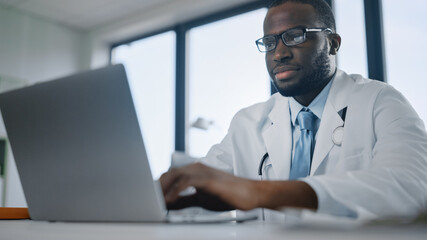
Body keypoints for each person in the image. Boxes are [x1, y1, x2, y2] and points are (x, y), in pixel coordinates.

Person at [160, 0, 427, 222]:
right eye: (269, 42)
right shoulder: (248, 122)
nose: (279, 53)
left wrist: (263, 193)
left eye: (295, 36)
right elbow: (194, 185)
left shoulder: (380, 101)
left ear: (333, 43)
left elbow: (411, 186)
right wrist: (164, 194)